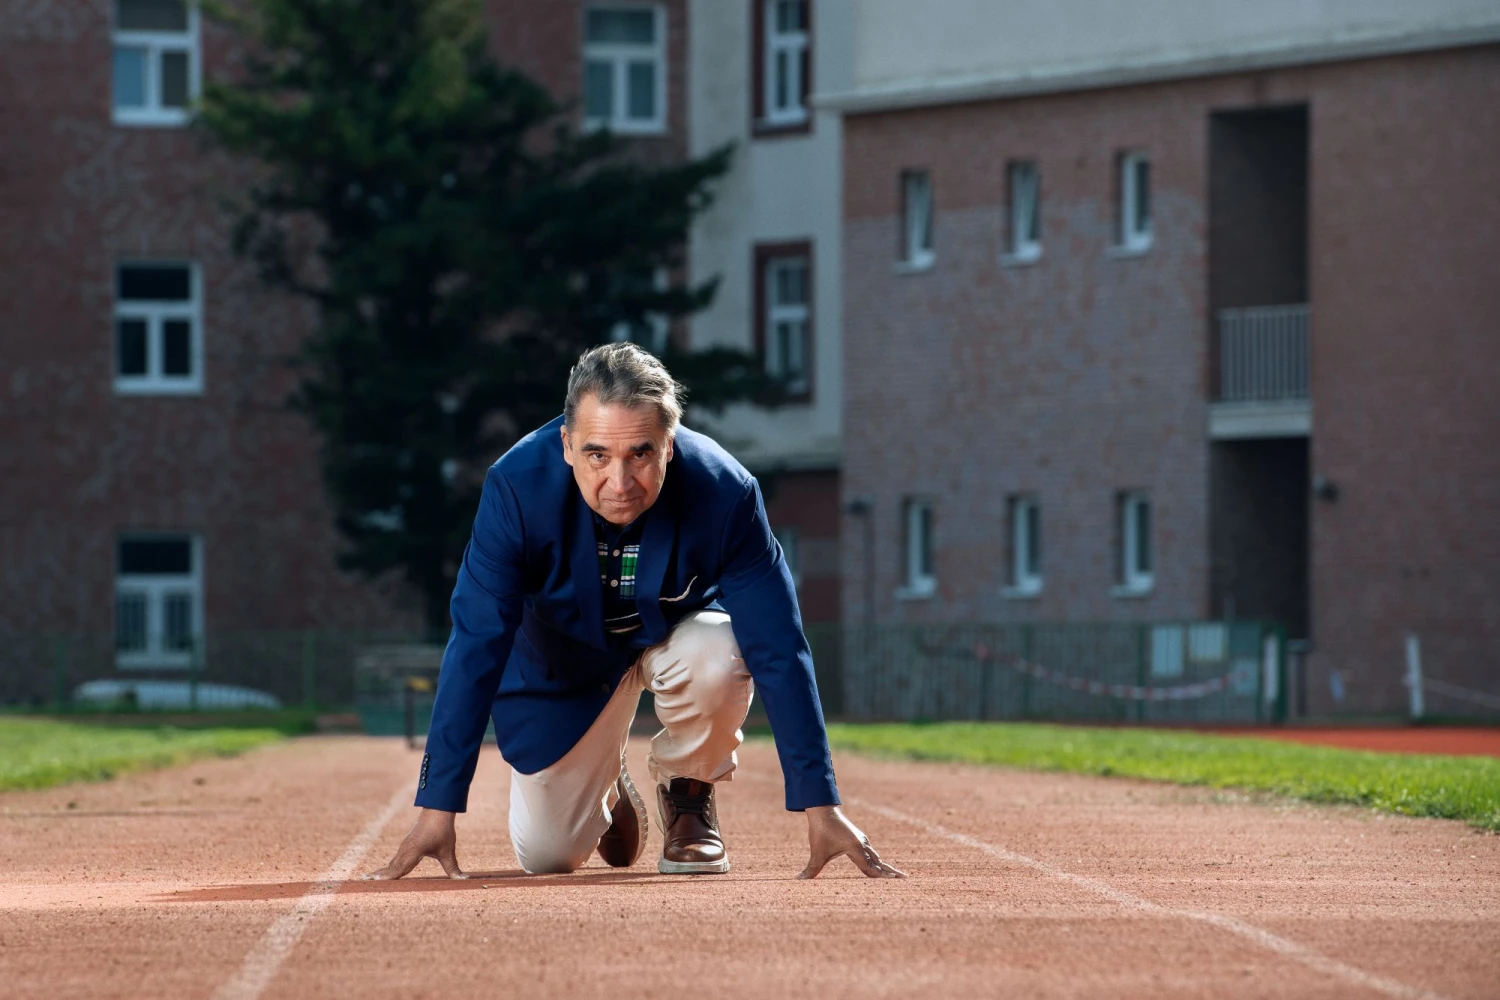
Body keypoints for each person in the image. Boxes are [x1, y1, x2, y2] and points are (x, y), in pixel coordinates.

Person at [366, 343, 901, 880]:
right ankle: (608, 776)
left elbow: (779, 644)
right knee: (547, 856)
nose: (620, 484)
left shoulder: (725, 492)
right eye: (597, 455)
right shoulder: (516, 490)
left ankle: (688, 798)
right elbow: (476, 642)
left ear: (668, 446)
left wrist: (821, 804)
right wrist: (438, 807)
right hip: (564, 666)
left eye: (640, 454)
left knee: (722, 651)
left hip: (673, 642)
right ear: (567, 445)